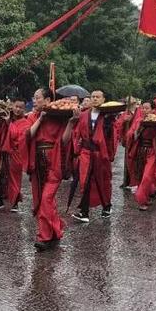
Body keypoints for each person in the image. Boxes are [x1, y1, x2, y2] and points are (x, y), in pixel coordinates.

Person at [26, 88, 72, 251]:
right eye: (34, 97)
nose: (34, 100)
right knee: (42, 200)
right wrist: (40, 119)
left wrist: (72, 123)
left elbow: (65, 140)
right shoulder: (33, 116)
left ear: (47, 100)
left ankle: (44, 236)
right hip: (37, 163)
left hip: (54, 162)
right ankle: (55, 230)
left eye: (37, 97)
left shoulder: (60, 117)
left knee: (46, 199)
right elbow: (27, 136)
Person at [66, 89, 116, 221]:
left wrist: (110, 154)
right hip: (86, 152)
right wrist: (77, 150)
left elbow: (112, 138)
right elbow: (76, 134)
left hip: (101, 152)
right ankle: (84, 212)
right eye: (93, 96)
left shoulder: (107, 116)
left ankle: (106, 206)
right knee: (85, 181)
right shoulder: (83, 115)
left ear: (103, 99)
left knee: (102, 181)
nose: (95, 99)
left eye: (98, 97)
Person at [115, 97, 139, 189]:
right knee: (128, 161)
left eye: (132, 99)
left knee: (137, 161)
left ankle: (137, 181)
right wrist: (125, 121)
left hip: (138, 139)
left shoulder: (140, 111)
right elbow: (117, 125)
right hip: (128, 140)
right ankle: (127, 180)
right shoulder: (125, 114)